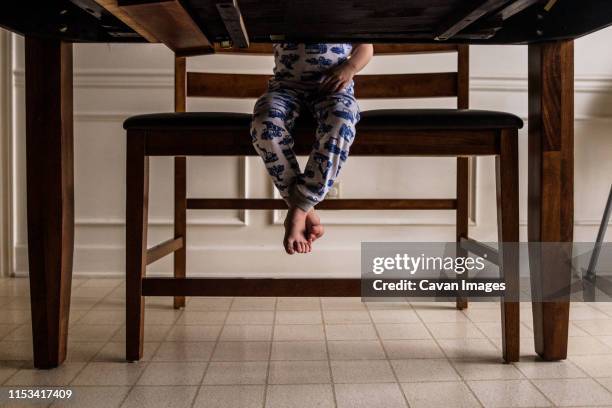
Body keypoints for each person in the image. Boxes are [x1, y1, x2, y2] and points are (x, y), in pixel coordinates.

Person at [251, 43, 374, 254]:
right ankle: (304, 208)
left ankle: (298, 209)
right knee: (265, 124)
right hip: (284, 90)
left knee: (341, 122)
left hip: (333, 88)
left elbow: (365, 45)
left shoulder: (345, 10)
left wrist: (351, 67)